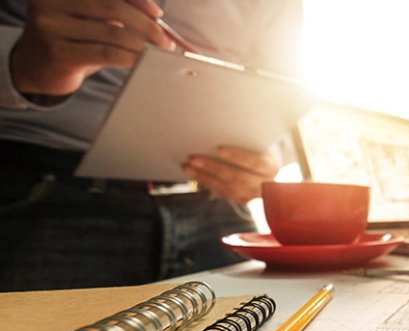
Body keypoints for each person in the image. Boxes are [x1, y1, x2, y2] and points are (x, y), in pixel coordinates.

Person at [0, 0, 302, 291]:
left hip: (219, 210)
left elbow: (282, 97)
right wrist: (23, 64)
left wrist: (262, 162)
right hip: (41, 195)